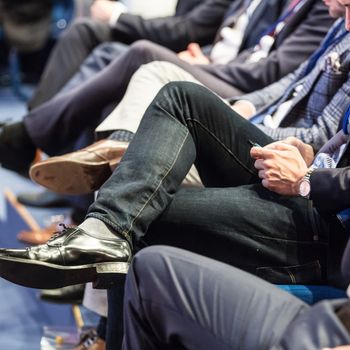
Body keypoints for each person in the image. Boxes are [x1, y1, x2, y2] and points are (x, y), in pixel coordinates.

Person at [0, 79, 349, 290]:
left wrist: (308, 182)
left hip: (329, 225)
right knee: (180, 96)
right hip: (314, 174)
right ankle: (101, 230)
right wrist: (314, 155)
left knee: (140, 214)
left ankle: (101, 240)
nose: (345, 21)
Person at [122, 245, 350, 350]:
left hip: (326, 335)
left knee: (150, 271)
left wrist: (310, 181)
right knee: (133, 247)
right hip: (335, 316)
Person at [28, 0, 233, 108]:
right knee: (86, 30)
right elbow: (180, 21)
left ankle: (33, 132)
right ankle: (36, 126)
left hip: (193, 55)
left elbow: (185, 31)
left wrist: (118, 16)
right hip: (190, 50)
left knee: (122, 53)